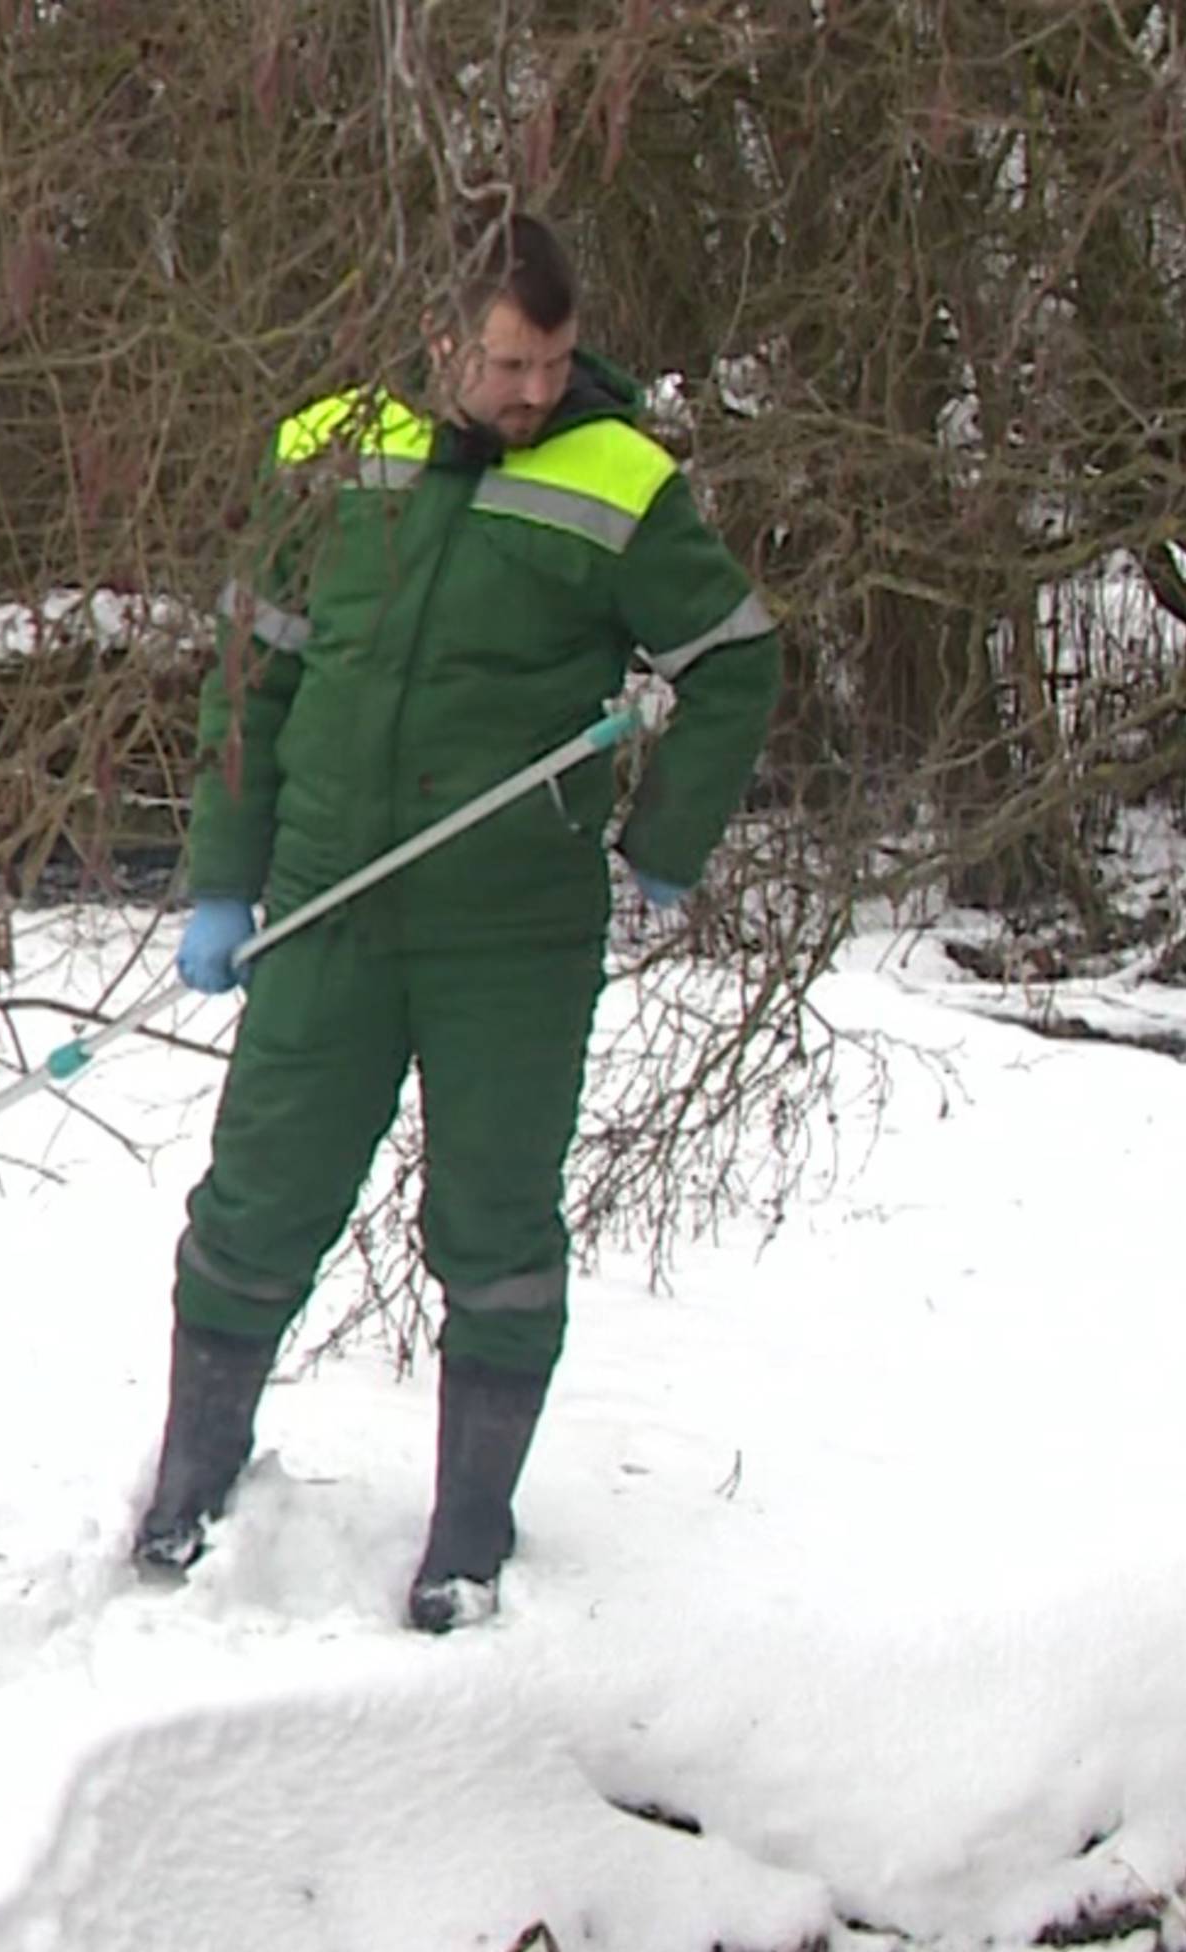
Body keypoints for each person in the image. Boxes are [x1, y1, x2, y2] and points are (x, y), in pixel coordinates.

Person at [135, 209, 785, 1633]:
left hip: (512, 933)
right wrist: (225, 876)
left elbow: (734, 663)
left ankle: (469, 1534)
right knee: (258, 1197)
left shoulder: (619, 478)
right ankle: (191, 1478)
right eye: (507, 363)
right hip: (327, 905)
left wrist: (663, 844)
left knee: (493, 1225)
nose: (535, 391)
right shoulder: (328, 448)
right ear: (442, 341)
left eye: (553, 361)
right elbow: (252, 673)